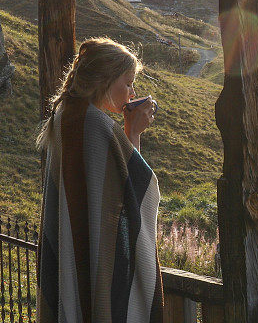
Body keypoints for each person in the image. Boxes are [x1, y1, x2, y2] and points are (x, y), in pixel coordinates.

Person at [36, 37, 162, 323]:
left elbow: (111, 192)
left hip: (74, 255)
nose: (132, 92)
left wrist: (128, 133)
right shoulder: (95, 125)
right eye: (128, 82)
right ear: (107, 79)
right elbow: (134, 193)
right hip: (97, 264)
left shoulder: (65, 115)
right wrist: (134, 132)